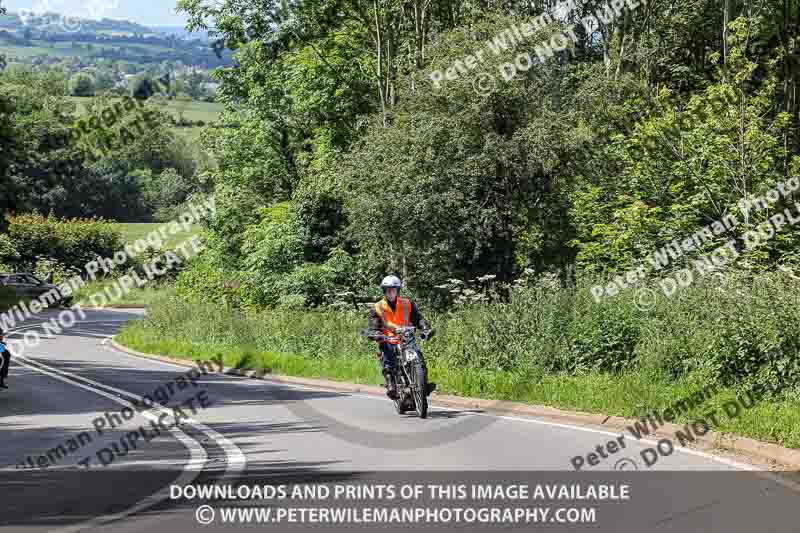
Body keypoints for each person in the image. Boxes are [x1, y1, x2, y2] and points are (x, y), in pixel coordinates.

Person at [367, 275, 436, 399]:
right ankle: (391, 384)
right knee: (389, 357)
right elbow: (373, 324)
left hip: (406, 338)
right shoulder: (377, 307)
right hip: (388, 339)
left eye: (393, 289)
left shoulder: (407, 303)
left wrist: (425, 328)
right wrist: (375, 333)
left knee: (419, 358)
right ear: (384, 291)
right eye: (388, 290)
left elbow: (418, 318)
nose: (390, 292)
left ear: (397, 290)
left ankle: (423, 384)